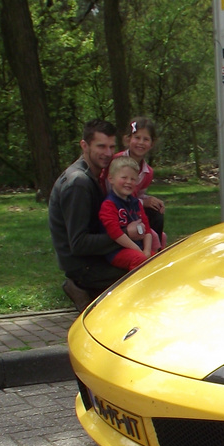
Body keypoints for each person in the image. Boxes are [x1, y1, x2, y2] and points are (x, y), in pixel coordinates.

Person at [48, 119, 122, 308]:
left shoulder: (95, 176)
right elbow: (79, 244)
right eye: (101, 146)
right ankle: (82, 289)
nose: (108, 153)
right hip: (83, 266)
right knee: (145, 274)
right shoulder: (78, 183)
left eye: (112, 147)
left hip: (94, 258)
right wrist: (123, 236)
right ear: (84, 145)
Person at [100, 157, 158, 270]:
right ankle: (139, 286)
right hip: (117, 250)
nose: (128, 182)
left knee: (159, 260)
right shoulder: (109, 205)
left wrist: (146, 250)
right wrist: (138, 250)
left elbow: (147, 229)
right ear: (111, 179)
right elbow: (115, 233)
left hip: (139, 247)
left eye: (133, 179)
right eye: (124, 178)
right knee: (140, 260)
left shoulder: (136, 203)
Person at [122, 116, 166, 247]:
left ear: (151, 144)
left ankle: (156, 249)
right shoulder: (118, 163)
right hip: (118, 209)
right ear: (128, 139)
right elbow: (116, 195)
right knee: (149, 232)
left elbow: (138, 194)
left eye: (145, 139)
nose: (140, 142)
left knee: (156, 212)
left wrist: (150, 200)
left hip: (133, 207)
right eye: (137, 138)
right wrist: (143, 202)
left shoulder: (147, 172)